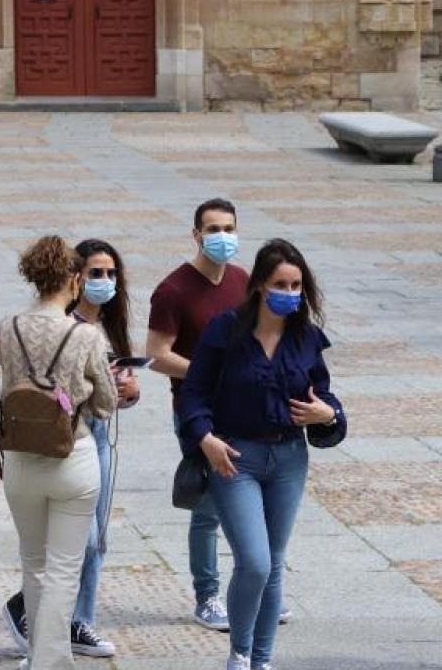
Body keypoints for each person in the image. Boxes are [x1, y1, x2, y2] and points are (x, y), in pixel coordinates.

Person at [180, 239, 345, 670]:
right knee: (253, 561)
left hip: (289, 458)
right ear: (258, 286)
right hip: (235, 456)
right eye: (281, 284)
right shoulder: (225, 330)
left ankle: (261, 661)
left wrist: (329, 413)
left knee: (273, 564)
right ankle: (239, 651)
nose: (290, 293)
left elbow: (324, 397)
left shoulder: (306, 337)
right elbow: (194, 392)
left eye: (296, 285)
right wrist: (206, 439)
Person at [147, 198, 287, 631]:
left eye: (229, 227)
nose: (222, 237)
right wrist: (208, 369)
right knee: (207, 508)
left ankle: (258, 589)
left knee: (256, 503)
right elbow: (156, 355)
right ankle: (207, 596)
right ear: (196, 235)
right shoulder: (173, 290)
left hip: (246, 412)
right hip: (198, 412)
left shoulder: (244, 280)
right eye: (212, 229)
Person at [2, 239, 140, 659]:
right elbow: (103, 404)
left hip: (21, 459)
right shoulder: (84, 335)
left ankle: (41, 658)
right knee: (65, 570)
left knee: (34, 565)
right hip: (72, 457)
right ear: (74, 280)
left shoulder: (8, 327)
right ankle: (49, 662)